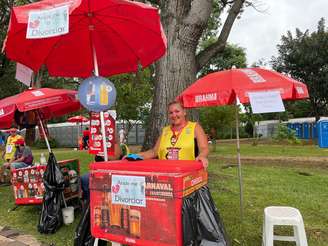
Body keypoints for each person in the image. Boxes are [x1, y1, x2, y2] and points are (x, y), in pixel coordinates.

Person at [138, 101, 209, 168]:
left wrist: (202, 156)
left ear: (184, 112)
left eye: (177, 111)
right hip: (166, 173)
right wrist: (136, 155)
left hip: (187, 174)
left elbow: (204, 148)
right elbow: (154, 152)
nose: (174, 115)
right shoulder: (165, 130)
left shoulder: (195, 127)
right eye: (171, 113)